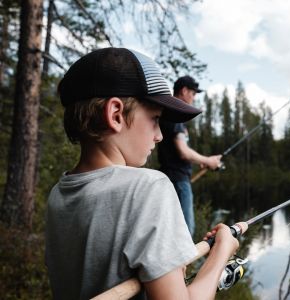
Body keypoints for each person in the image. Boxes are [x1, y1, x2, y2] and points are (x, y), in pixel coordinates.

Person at [45, 47, 239, 300]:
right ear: (115, 115)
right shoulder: (148, 187)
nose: (159, 135)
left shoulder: (58, 194)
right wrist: (221, 253)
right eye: (155, 119)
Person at [158, 76, 222, 236]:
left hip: (172, 179)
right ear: (184, 91)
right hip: (178, 180)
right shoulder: (174, 115)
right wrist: (208, 160)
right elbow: (183, 151)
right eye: (193, 94)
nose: (193, 98)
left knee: (172, 231)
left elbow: (179, 152)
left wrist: (200, 161)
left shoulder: (169, 113)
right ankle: (185, 262)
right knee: (185, 233)